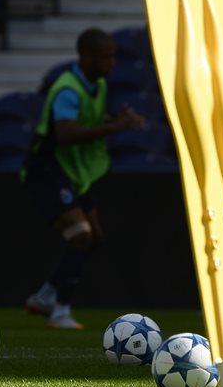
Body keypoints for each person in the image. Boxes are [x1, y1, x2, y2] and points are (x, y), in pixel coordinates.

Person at [22, 28, 144, 330]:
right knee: (80, 236)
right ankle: (60, 311)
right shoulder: (68, 88)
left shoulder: (97, 84)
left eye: (113, 56)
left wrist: (114, 121)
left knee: (94, 239)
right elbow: (65, 132)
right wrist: (116, 128)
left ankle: (45, 296)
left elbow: (87, 119)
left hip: (75, 172)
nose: (112, 63)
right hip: (47, 169)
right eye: (106, 57)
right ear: (85, 57)